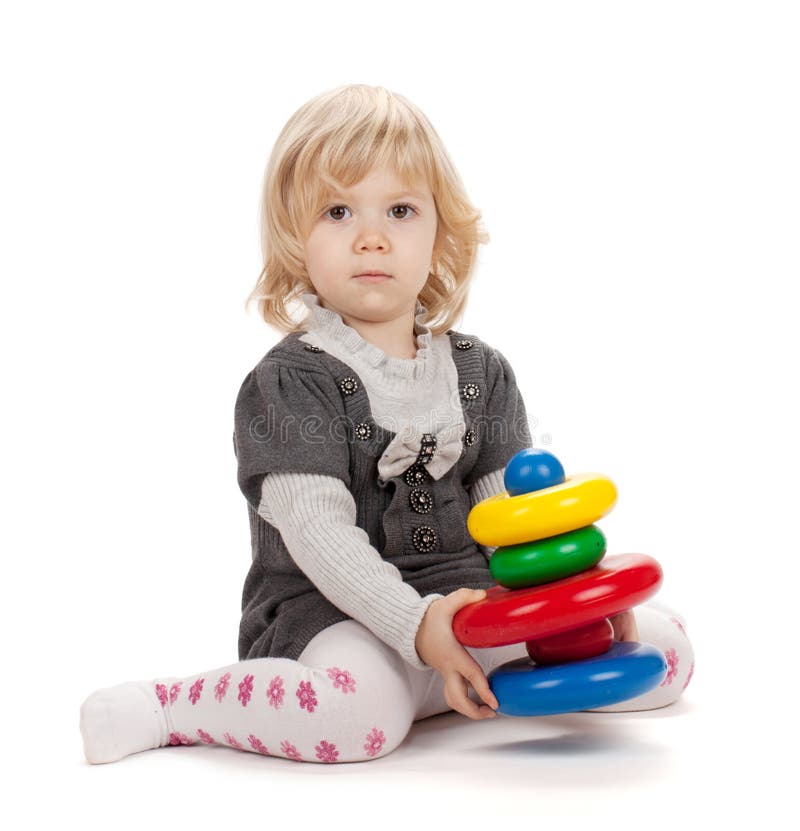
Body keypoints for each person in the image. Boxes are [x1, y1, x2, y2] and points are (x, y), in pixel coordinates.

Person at [79, 84, 694, 766]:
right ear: (295, 234)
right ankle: (171, 706)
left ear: (440, 232)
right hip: (339, 619)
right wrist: (414, 624)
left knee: (663, 653)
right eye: (338, 211)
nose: (371, 236)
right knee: (357, 713)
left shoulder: (480, 372)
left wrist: (567, 603)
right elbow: (318, 536)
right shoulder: (289, 383)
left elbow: (509, 520)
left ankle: (451, 683)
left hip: (470, 608)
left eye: (400, 210)